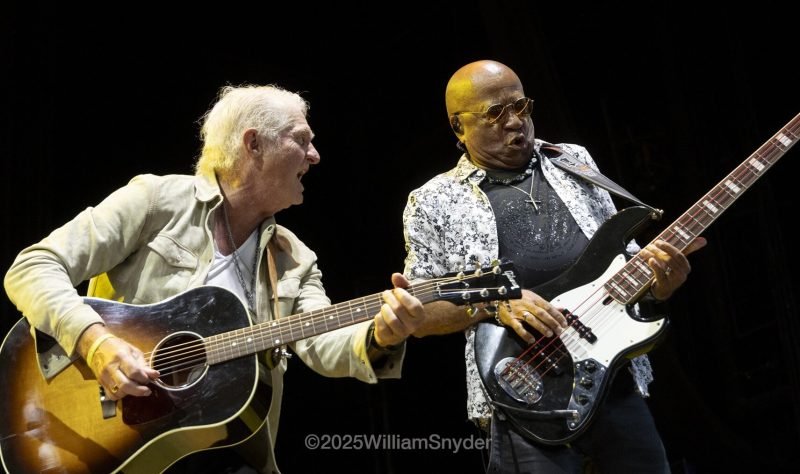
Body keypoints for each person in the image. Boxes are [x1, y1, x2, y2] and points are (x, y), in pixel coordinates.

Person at [4, 84, 424, 473]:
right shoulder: (156, 201)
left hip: (230, 456)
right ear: (253, 143)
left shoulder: (294, 257)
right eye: (302, 139)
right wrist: (96, 342)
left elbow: (321, 341)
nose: (314, 155)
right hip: (125, 440)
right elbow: (32, 266)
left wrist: (381, 334)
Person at [403, 60, 707, 473]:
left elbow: (626, 260)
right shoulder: (433, 200)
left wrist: (659, 282)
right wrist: (496, 305)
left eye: (521, 106)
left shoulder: (573, 161)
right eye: (495, 113)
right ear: (459, 127)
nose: (516, 122)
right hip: (522, 401)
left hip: (611, 383)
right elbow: (420, 314)